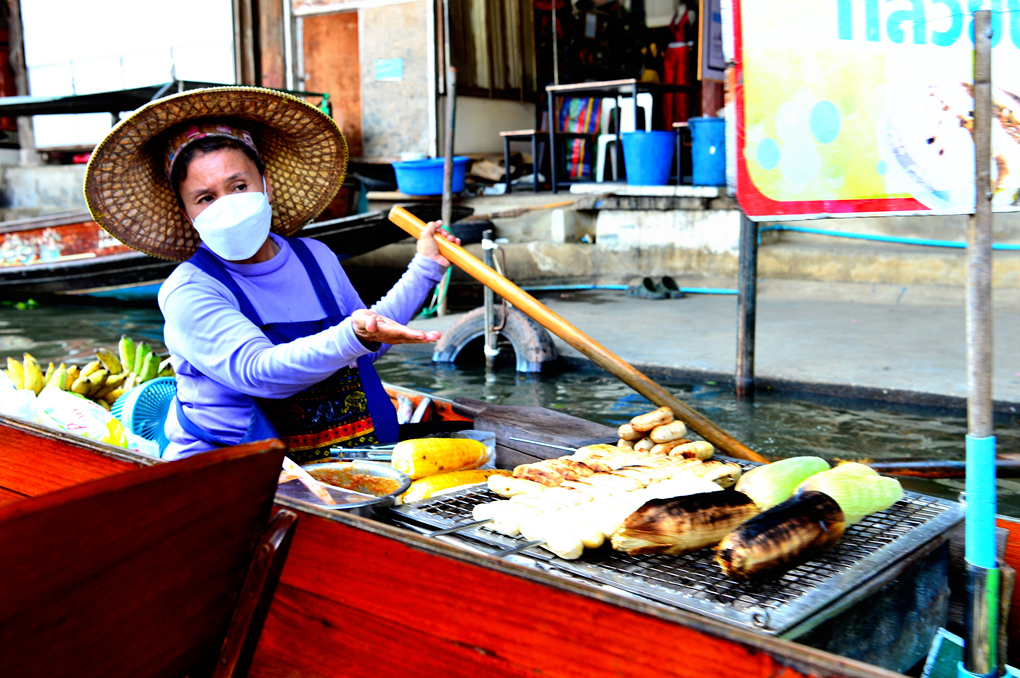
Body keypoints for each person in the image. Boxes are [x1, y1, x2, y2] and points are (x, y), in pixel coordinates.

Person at [84, 87, 457, 462]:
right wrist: (353, 334)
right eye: (206, 198)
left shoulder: (316, 258)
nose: (228, 206)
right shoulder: (189, 290)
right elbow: (259, 373)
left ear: (266, 185)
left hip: (340, 461)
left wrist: (426, 268)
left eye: (239, 186)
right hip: (235, 467)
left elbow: (367, 342)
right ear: (187, 213)